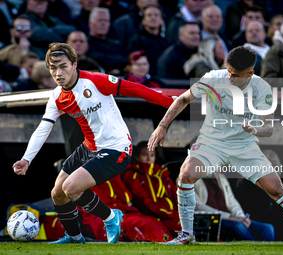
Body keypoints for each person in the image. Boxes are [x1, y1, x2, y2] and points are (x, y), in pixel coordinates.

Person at [148, 46, 283, 246]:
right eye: (229, 72)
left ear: (250, 73)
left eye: (236, 76)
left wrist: (255, 129)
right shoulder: (213, 78)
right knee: (186, 174)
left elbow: (269, 128)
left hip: (244, 146)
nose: (230, 78)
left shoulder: (262, 88)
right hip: (212, 142)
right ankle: (186, 235)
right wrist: (162, 127)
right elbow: (182, 99)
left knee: (276, 189)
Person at [12, 42, 175, 244]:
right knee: (58, 193)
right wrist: (26, 159)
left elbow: (135, 89)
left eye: (62, 66)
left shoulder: (95, 81)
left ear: (74, 64)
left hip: (116, 148)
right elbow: (43, 128)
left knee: (71, 189)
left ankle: (110, 216)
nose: (57, 72)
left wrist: (171, 103)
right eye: (53, 68)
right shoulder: (56, 97)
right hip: (89, 147)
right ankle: (74, 237)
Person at [195, 172, 275, 241]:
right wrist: (229, 217)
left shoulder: (219, 176)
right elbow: (198, 207)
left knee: (268, 228)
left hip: (232, 218)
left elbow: (232, 201)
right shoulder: (190, 179)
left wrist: (242, 217)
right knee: (238, 226)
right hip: (213, 221)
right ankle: (256, 250)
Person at [123, 141, 181, 236]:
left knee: (187, 226)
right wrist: (166, 213)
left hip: (168, 213)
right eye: (145, 155)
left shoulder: (161, 173)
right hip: (151, 214)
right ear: (137, 157)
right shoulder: (132, 175)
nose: (149, 158)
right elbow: (143, 200)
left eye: (152, 155)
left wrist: (180, 212)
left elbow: (175, 194)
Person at [127, 4, 169, 76]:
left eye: (156, 15)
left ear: (161, 20)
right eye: (149, 15)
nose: (153, 18)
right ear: (143, 20)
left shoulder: (166, 42)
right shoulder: (136, 40)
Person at [87, 7, 127, 75]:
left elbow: (125, 59)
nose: (103, 24)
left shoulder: (116, 43)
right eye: (99, 20)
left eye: (106, 21)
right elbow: (95, 59)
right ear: (90, 23)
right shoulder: (85, 42)